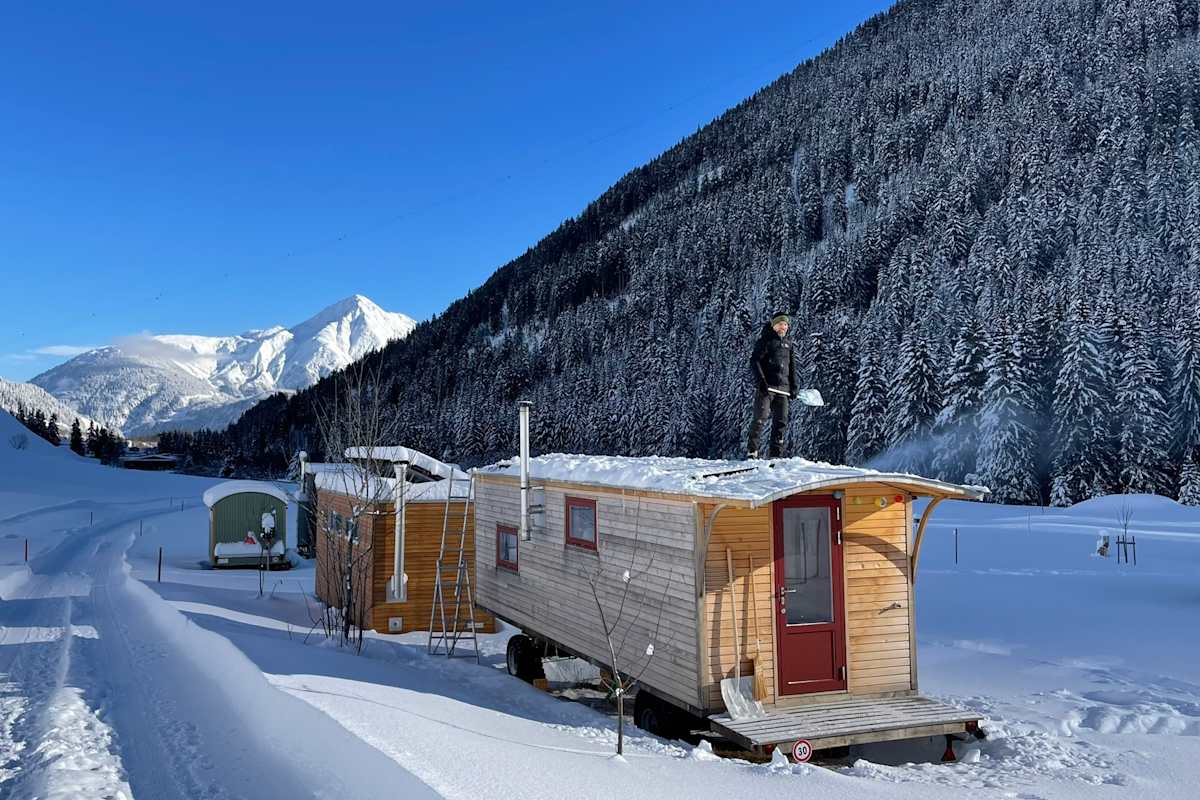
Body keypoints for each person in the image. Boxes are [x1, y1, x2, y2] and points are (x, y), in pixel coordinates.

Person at [747, 312, 797, 459]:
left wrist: (794, 386)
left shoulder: (789, 343)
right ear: (774, 325)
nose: (784, 327)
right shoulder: (765, 341)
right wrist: (761, 381)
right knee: (760, 418)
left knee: (781, 422)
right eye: (781, 324)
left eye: (786, 325)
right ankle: (752, 451)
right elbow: (754, 361)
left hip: (784, 388)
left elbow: (792, 366)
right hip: (767, 387)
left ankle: (776, 455)